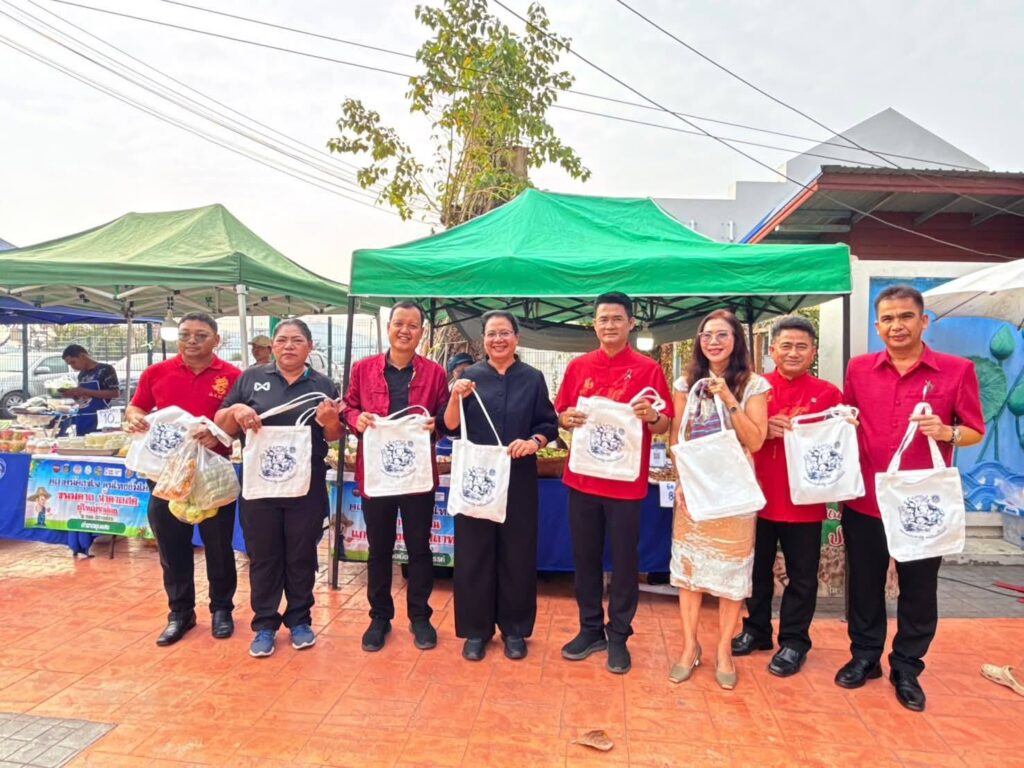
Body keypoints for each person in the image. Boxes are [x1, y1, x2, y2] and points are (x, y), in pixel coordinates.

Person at [838, 284, 983, 712]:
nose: (896, 325)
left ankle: (906, 666)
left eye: (905, 317)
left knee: (918, 587)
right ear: (877, 325)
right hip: (867, 497)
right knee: (864, 584)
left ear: (923, 321)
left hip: (922, 504)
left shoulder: (956, 370)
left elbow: (974, 430)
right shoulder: (859, 369)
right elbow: (849, 416)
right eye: (887, 318)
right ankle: (865, 656)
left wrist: (947, 431)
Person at [554, 292, 673, 675]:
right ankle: (590, 629)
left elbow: (663, 423)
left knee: (625, 562)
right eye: (603, 319)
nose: (610, 325)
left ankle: (619, 634)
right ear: (594, 324)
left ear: (631, 323)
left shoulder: (648, 369)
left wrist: (652, 415)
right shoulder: (579, 366)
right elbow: (562, 413)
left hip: (625, 484)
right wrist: (566, 419)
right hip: (582, 479)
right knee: (584, 558)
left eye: (617, 319)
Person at [216, 319, 342, 658]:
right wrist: (237, 409)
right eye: (282, 340)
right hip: (260, 487)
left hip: (307, 486)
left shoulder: (323, 385)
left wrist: (331, 421)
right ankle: (265, 624)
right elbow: (221, 422)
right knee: (264, 556)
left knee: (301, 554)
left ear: (309, 347)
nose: (289, 346)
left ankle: (300, 620)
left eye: (297, 340)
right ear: (272, 346)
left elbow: (333, 435)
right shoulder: (251, 378)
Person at [730, 315, 842, 677]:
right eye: (786, 346)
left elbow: (837, 443)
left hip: (804, 501)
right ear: (772, 349)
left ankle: (794, 640)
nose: (793, 353)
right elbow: (734, 434)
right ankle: (756, 629)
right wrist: (763, 431)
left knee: (802, 577)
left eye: (801, 347)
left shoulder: (829, 394)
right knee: (755, 571)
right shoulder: (754, 388)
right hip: (757, 495)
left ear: (813, 352)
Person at [443, 311, 558, 661]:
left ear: (516, 338)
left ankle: (515, 628)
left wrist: (534, 442)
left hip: (518, 476)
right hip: (477, 477)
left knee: (517, 553)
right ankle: (476, 630)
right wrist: (455, 395)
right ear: (484, 340)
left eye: (504, 333)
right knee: (474, 553)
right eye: (492, 334)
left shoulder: (533, 378)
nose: (498, 340)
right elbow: (449, 425)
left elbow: (548, 424)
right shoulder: (470, 377)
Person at [125, 312, 242, 647]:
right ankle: (180, 613)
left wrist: (218, 434)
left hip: (213, 475)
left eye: (201, 335)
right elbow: (136, 408)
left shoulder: (233, 376)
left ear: (216, 340)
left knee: (219, 546)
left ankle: (222, 609)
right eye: (185, 334)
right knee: (172, 545)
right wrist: (135, 420)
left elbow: (238, 422)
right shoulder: (156, 372)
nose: (192, 340)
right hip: (167, 475)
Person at [669, 309, 769, 691]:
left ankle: (724, 649)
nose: (713, 341)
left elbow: (755, 440)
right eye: (706, 335)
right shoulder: (686, 383)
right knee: (690, 573)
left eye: (722, 335)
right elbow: (677, 436)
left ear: (736, 340)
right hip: (695, 488)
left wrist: (729, 398)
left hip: (734, 492)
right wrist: (680, 481)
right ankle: (689, 646)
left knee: (731, 574)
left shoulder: (753, 385)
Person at [342, 301, 449, 653]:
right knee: (379, 548)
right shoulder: (363, 369)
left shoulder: (435, 373)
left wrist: (436, 425)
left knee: (419, 548)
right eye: (399, 323)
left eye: (413, 325)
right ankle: (379, 617)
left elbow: (445, 415)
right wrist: (355, 418)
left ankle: (420, 616)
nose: (405, 331)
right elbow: (348, 405)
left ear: (422, 332)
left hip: (417, 475)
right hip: (377, 475)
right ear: (388, 327)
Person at [60, 344, 120, 436]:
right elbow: (83, 400)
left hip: (101, 418)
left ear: (82, 356)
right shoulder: (81, 375)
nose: (73, 366)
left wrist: (84, 391)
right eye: (70, 364)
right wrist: (74, 395)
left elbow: (115, 393)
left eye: (73, 362)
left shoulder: (105, 369)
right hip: (83, 419)